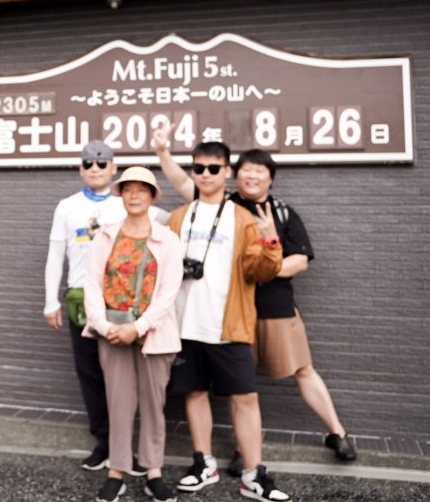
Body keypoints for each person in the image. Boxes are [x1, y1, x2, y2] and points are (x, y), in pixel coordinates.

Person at [152, 131, 356, 469]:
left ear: (271, 179)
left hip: (273, 309)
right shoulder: (221, 203)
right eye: (247, 169)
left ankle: (337, 431)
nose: (252, 175)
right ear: (235, 173)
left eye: (260, 171)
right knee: (239, 386)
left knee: (300, 370)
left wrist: (257, 265)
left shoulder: (281, 213)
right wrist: (162, 151)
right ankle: (242, 451)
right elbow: (181, 179)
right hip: (224, 313)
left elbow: (300, 260)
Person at [152, 137, 288, 501]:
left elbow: (259, 272)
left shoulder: (243, 219)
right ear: (193, 171)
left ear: (227, 172)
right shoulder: (179, 217)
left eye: (214, 168)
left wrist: (271, 242)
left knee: (245, 398)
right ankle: (204, 464)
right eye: (199, 168)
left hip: (229, 326)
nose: (206, 174)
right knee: (195, 393)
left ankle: (253, 475)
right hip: (185, 325)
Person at [43, 140, 167, 472]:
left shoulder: (127, 202)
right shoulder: (67, 207)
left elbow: (169, 223)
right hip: (81, 300)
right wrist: (50, 301)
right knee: (91, 375)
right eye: (88, 163)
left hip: (124, 306)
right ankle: (104, 442)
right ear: (80, 168)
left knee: (130, 381)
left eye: (102, 162)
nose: (95, 168)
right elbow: (56, 255)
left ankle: (129, 449)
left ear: (113, 168)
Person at [83, 167, 182, 502]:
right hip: (110, 333)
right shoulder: (105, 236)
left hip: (154, 336)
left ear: (153, 196)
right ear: (121, 195)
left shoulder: (168, 239)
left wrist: (137, 328)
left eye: (143, 189)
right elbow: (92, 285)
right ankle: (117, 471)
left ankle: (153, 471)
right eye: (129, 189)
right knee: (119, 403)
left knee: (155, 405)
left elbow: (169, 293)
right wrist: (106, 326)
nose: (135, 195)